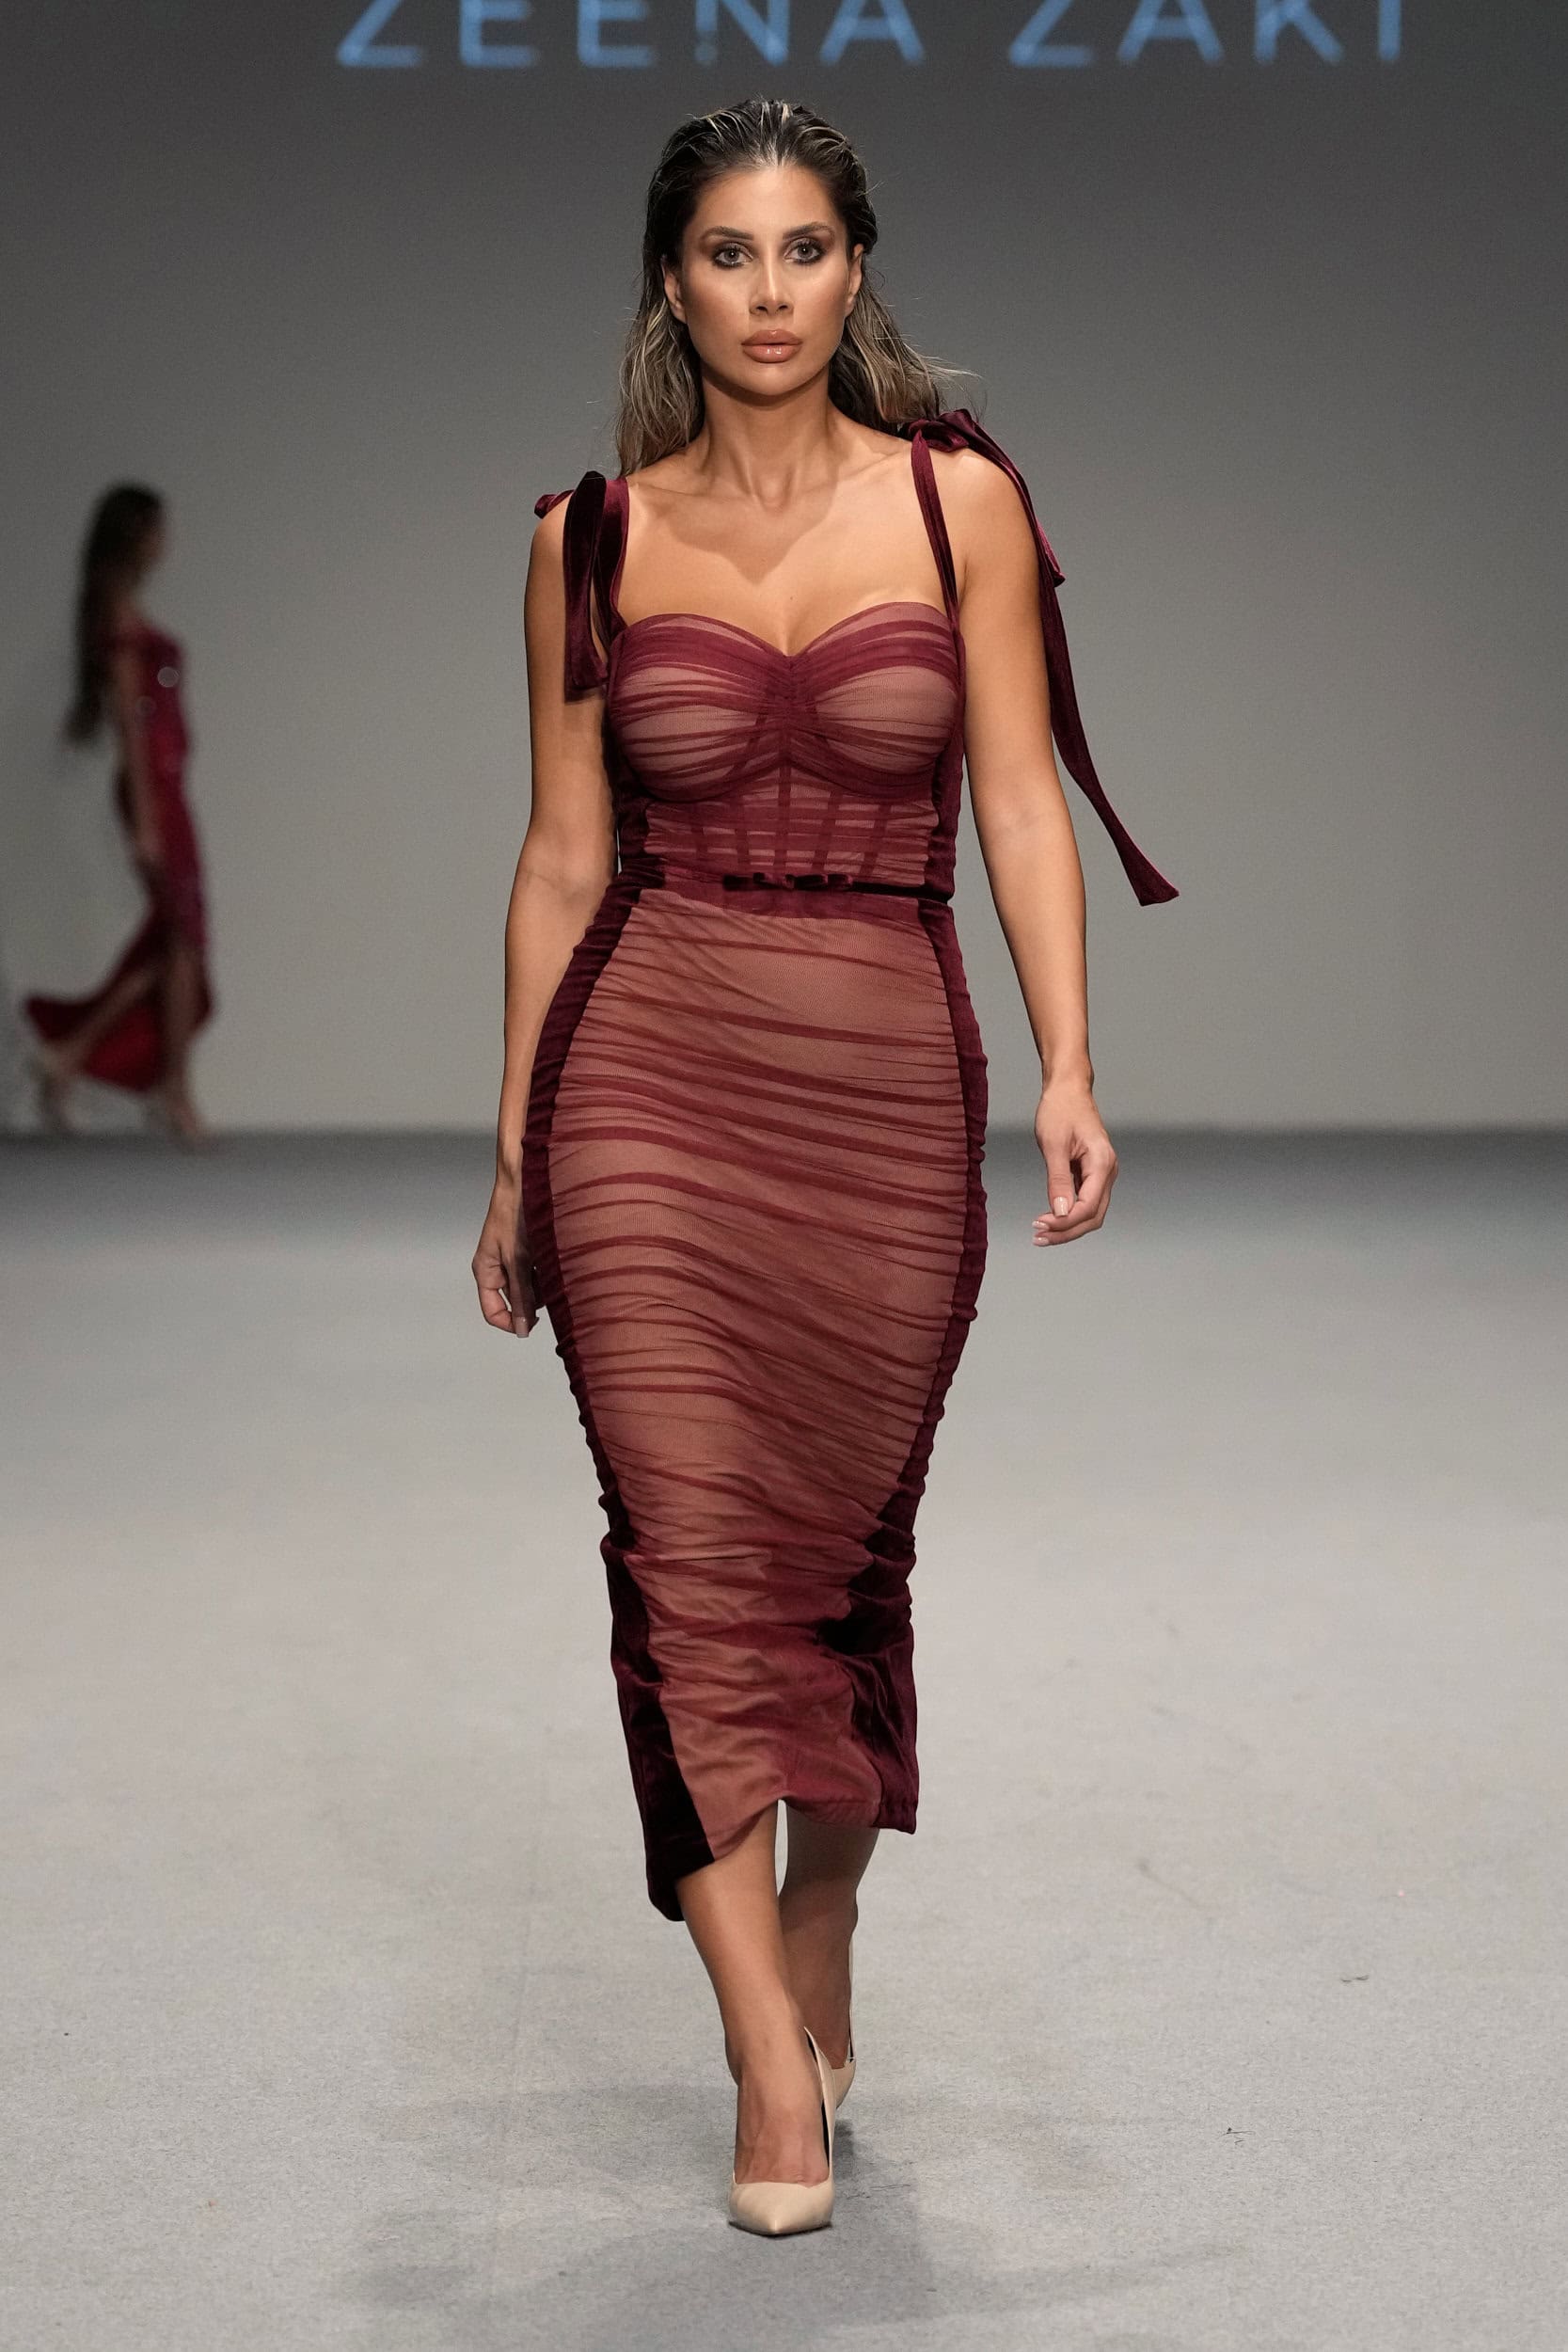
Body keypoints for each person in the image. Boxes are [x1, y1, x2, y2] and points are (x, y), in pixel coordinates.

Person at [470, 97, 1177, 2236]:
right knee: (680, 1561)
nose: (767, 293)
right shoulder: (586, 538)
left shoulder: (960, 503)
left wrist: (1068, 1061)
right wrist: (514, 1156)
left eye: (801, 251)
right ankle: (765, 2056)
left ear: (855, 268)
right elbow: (559, 859)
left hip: (881, 1076)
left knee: (838, 1567)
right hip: (647, 1075)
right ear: (668, 282)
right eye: (726, 254)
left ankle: (826, 1912)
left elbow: (1023, 801)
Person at [24, 484, 214, 1142]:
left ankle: (73, 1056)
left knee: (176, 943)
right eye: (157, 530)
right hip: (152, 791)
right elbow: (133, 723)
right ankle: (173, 1092)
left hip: (165, 787)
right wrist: (145, 821)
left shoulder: (124, 608)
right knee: (182, 942)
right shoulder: (116, 615)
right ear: (135, 535)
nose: (165, 543)